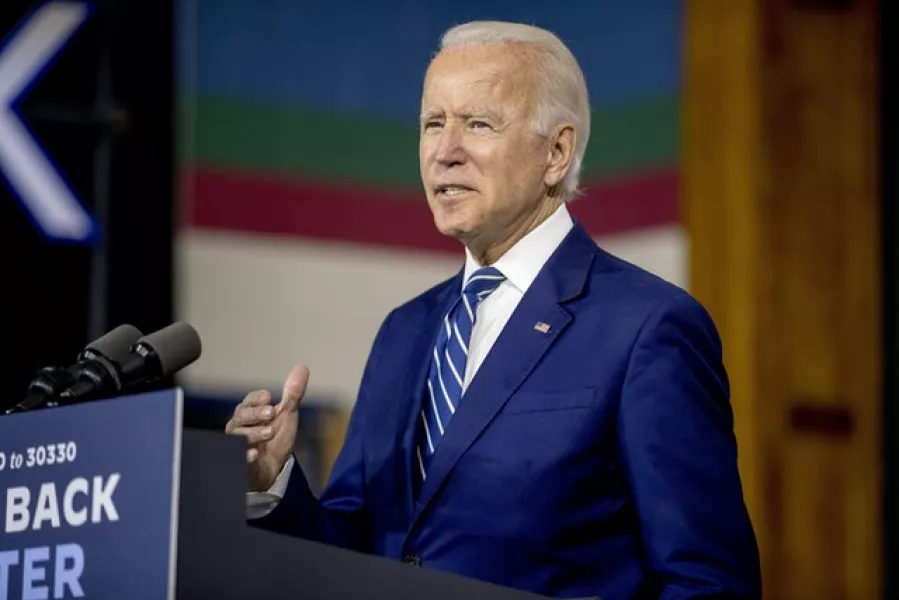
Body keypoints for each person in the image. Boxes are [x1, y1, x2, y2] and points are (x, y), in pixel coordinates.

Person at [224, 20, 762, 600]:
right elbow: (353, 550)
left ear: (556, 152)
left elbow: (706, 581)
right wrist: (271, 480)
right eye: (433, 124)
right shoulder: (404, 332)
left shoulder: (648, 328)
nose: (444, 152)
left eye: (478, 124)